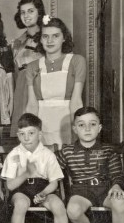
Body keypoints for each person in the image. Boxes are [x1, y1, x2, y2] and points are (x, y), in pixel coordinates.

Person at [59, 107, 124, 223]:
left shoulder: (107, 150)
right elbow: (52, 171)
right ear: (75, 129)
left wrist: (117, 186)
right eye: (81, 125)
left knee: (120, 202)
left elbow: (116, 174)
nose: (87, 129)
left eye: (92, 124)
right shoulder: (67, 151)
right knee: (72, 210)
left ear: (99, 127)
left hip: (104, 189)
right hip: (81, 191)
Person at [2, 113, 67, 223]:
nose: (26, 138)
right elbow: (10, 185)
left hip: (43, 188)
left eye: (31, 133)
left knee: (58, 205)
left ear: (40, 134)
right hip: (21, 190)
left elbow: (54, 182)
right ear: (18, 135)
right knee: (21, 204)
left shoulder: (47, 154)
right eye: (22, 134)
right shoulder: (14, 155)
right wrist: (25, 174)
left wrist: (44, 193)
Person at [25, 16, 85, 148]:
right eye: (45, 36)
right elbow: (32, 105)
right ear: (40, 39)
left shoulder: (76, 61)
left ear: (64, 38)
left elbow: (76, 101)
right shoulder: (32, 67)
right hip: (42, 125)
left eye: (55, 36)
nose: (50, 40)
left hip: (67, 124)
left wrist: (78, 132)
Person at [10, 0, 45, 136]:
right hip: (21, 89)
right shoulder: (17, 43)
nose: (26, 15)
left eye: (31, 11)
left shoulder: (48, 37)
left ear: (39, 12)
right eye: (23, 12)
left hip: (40, 87)